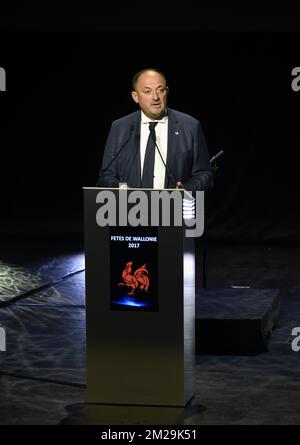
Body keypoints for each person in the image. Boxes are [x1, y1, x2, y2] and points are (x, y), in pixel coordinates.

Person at [96, 68, 214, 192]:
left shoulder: (190, 126)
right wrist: (121, 188)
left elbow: (205, 174)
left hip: (174, 207)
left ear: (167, 91)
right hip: (130, 208)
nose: (156, 97)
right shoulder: (120, 127)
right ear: (135, 96)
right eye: (147, 91)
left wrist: (185, 190)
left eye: (160, 90)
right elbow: (106, 174)